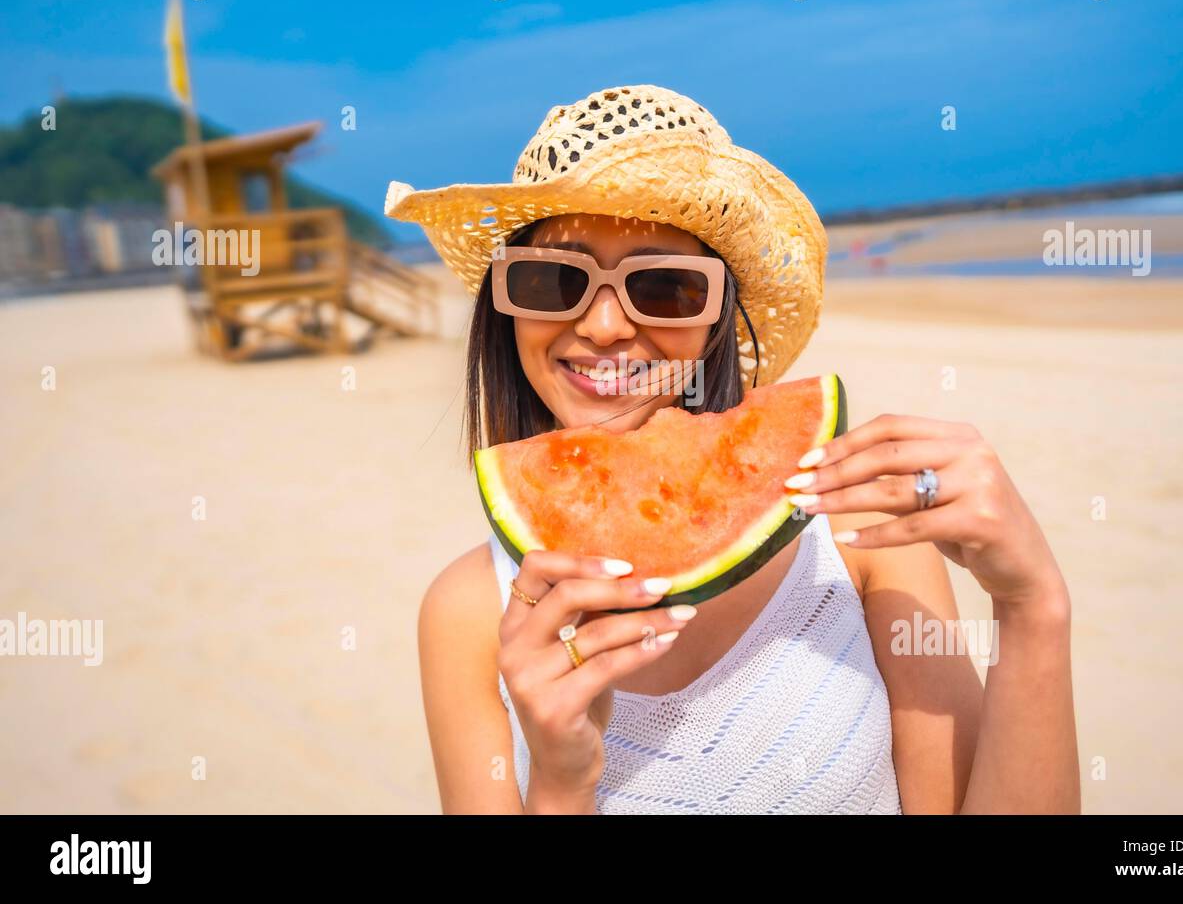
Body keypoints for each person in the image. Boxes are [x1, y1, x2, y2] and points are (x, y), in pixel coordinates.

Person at [389, 84, 1079, 814]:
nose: (602, 325)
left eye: (664, 287)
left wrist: (1032, 608)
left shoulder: (863, 537)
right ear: (506, 308)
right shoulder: (466, 615)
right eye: (553, 278)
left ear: (717, 322)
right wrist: (561, 785)